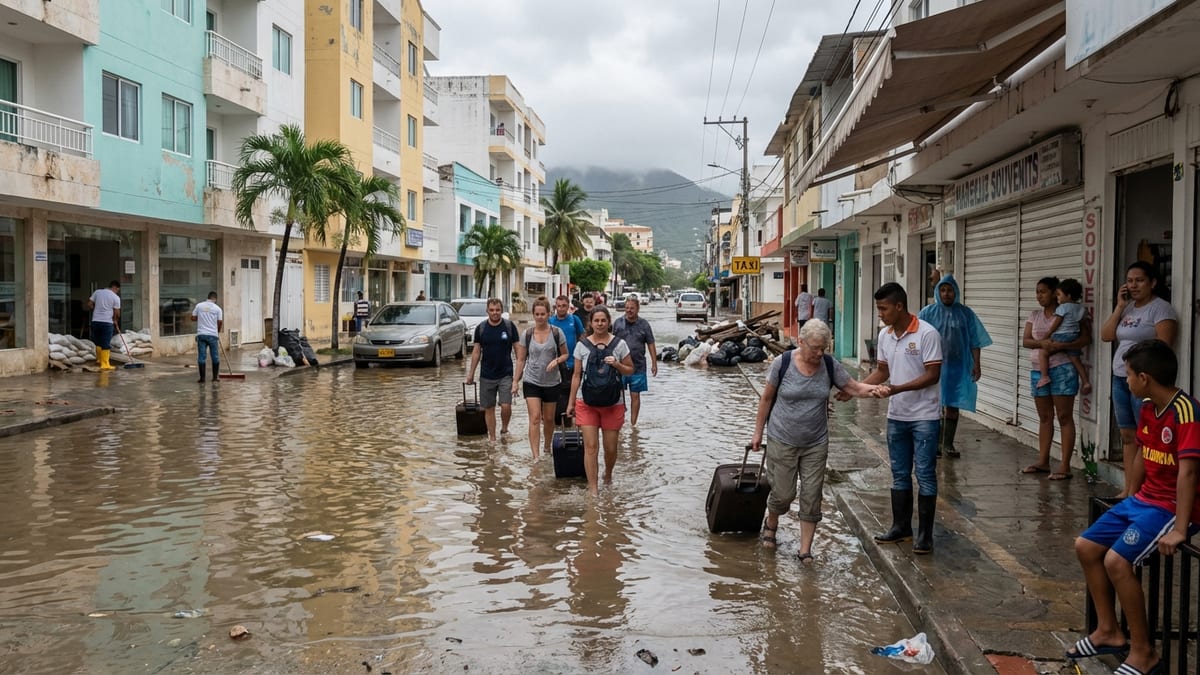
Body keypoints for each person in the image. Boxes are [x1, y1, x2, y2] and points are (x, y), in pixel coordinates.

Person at [1069, 339, 1199, 675]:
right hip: (1144, 501)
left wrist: (1182, 528)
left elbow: (1189, 472)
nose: (1125, 380)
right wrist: (1128, 494)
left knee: (1116, 560)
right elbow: (1142, 452)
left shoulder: (1186, 411)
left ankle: (1144, 652)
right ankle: (1108, 631)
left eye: (1128, 375)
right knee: (1085, 546)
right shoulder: (1145, 407)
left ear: (1144, 377)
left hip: (1171, 507)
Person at [749, 320, 883, 562]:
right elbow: (766, 399)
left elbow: (854, 387)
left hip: (816, 442)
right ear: (801, 342)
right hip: (782, 438)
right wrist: (757, 432)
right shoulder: (783, 363)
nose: (820, 353)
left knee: (812, 495)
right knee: (784, 494)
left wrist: (876, 389)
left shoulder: (829, 365)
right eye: (815, 348)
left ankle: (805, 551)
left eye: (824, 348)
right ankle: (772, 521)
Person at [862, 282, 943, 555]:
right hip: (897, 416)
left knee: (925, 475)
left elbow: (933, 376)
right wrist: (855, 389)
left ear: (899, 306)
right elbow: (882, 371)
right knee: (899, 474)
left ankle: (926, 536)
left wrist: (898, 388)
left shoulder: (927, 334)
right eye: (878, 309)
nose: (880, 314)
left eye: (883, 308)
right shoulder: (885, 335)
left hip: (925, 417)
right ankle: (901, 527)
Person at [1101, 261, 1178, 498]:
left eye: (1140, 280)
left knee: (1146, 437)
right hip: (1121, 379)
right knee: (1127, 436)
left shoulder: (1160, 309)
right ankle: (1128, 490)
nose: (1133, 285)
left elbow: (1163, 346)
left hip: (1146, 381)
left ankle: (1143, 490)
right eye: (1130, 280)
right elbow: (1106, 335)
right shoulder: (1128, 308)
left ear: (1153, 282)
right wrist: (1119, 306)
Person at [1022, 277, 1093, 480]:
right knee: (1045, 417)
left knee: (1064, 417)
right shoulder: (1034, 315)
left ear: (1056, 293)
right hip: (1038, 370)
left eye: (1043, 291)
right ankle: (1043, 461)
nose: (1039, 296)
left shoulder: (1071, 312)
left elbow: (1086, 338)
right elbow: (1026, 341)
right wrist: (1044, 345)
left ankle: (1064, 465)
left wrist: (1062, 346)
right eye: (1037, 292)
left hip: (1063, 369)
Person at [917, 274, 993, 458]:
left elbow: (975, 340)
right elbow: (917, 338)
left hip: (957, 367)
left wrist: (977, 364)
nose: (946, 294)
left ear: (956, 291)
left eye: (950, 290)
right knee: (934, 404)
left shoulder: (965, 314)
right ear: (937, 292)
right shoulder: (927, 313)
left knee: (952, 404)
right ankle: (934, 444)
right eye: (942, 290)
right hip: (934, 366)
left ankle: (948, 443)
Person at [565, 306, 634, 495]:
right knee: (591, 447)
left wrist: (617, 364)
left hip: (614, 402)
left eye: (603, 320)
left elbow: (630, 370)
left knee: (610, 448)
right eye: (596, 320)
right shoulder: (582, 345)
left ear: (609, 322)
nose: (600, 324)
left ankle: (608, 474)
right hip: (586, 402)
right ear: (591, 323)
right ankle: (593, 489)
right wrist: (571, 403)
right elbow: (576, 376)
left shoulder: (620, 345)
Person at [512, 297, 569, 460]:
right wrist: (515, 381)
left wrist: (556, 360)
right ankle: (535, 456)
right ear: (533, 315)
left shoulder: (557, 333)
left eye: (543, 314)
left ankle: (546, 447)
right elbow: (521, 360)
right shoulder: (527, 334)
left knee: (549, 419)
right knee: (535, 417)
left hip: (552, 382)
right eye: (537, 314)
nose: (540, 317)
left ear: (549, 314)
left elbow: (566, 354)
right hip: (531, 381)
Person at [465, 298, 519, 442]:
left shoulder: (509, 326)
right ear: (487, 311)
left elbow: (518, 349)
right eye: (492, 310)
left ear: (502, 310)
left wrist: (518, 375)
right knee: (489, 408)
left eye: (498, 310)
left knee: (506, 405)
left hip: (506, 373)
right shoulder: (481, 328)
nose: (495, 313)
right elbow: (476, 352)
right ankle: (493, 438)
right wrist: (470, 374)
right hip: (487, 375)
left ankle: (504, 428)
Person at [1035, 278, 1092, 396]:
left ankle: (1044, 376)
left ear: (1069, 295)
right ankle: (1086, 382)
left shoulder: (1062, 307)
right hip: (1074, 335)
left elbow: (1056, 324)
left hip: (1062, 335)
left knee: (1043, 353)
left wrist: (1047, 336)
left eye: (1059, 295)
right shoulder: (1081, 308)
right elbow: (1083, 322)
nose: (1058, 298)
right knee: (1076, 360)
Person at [612, 295, 657, 427]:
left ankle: (633, 424)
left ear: (638, 309)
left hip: (638, 366)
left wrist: (654, 363)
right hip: (620, 366)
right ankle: (618, 422)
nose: (629, 310)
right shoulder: (618, 323)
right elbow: (611, 342)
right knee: (617, 396)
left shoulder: (644, 325)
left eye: (632, 308)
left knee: (635, 396)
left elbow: (651, 343)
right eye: (627, 308)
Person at [549, 295, 586, 425]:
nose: (561, 309)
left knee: (573, 395)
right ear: (555, 307)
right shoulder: (550, 321)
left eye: (564, 306)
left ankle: (573, 424)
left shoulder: (575, 320)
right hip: (557, 365)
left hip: (574, 363)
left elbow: (582, 338)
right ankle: (559, 424)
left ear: (568, 306)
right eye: (559, 306)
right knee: (559, 397)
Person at [86, 280, 121, 372]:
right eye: (117, 290)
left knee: (97, 342)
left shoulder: (97, 292)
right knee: (105, 343)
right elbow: (117, 312)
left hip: (95, 321)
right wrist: (116, 320)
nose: (117, 292)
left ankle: (99, 360)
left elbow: (89, 304)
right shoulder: (115, 297)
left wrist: (94, 310)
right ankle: (105, 364)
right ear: (115, 288)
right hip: (107, 323)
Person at [191, 292, 224, 383]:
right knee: (215, 356)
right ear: (215, 299)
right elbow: (220, 322)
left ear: (208, 297)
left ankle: (202, 378)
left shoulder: (199, 306)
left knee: (201, 357)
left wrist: (201, 317)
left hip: (201, 335)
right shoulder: (218, 309)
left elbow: (192, 318)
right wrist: (217, 331)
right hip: (213, 335)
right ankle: (215, 377)